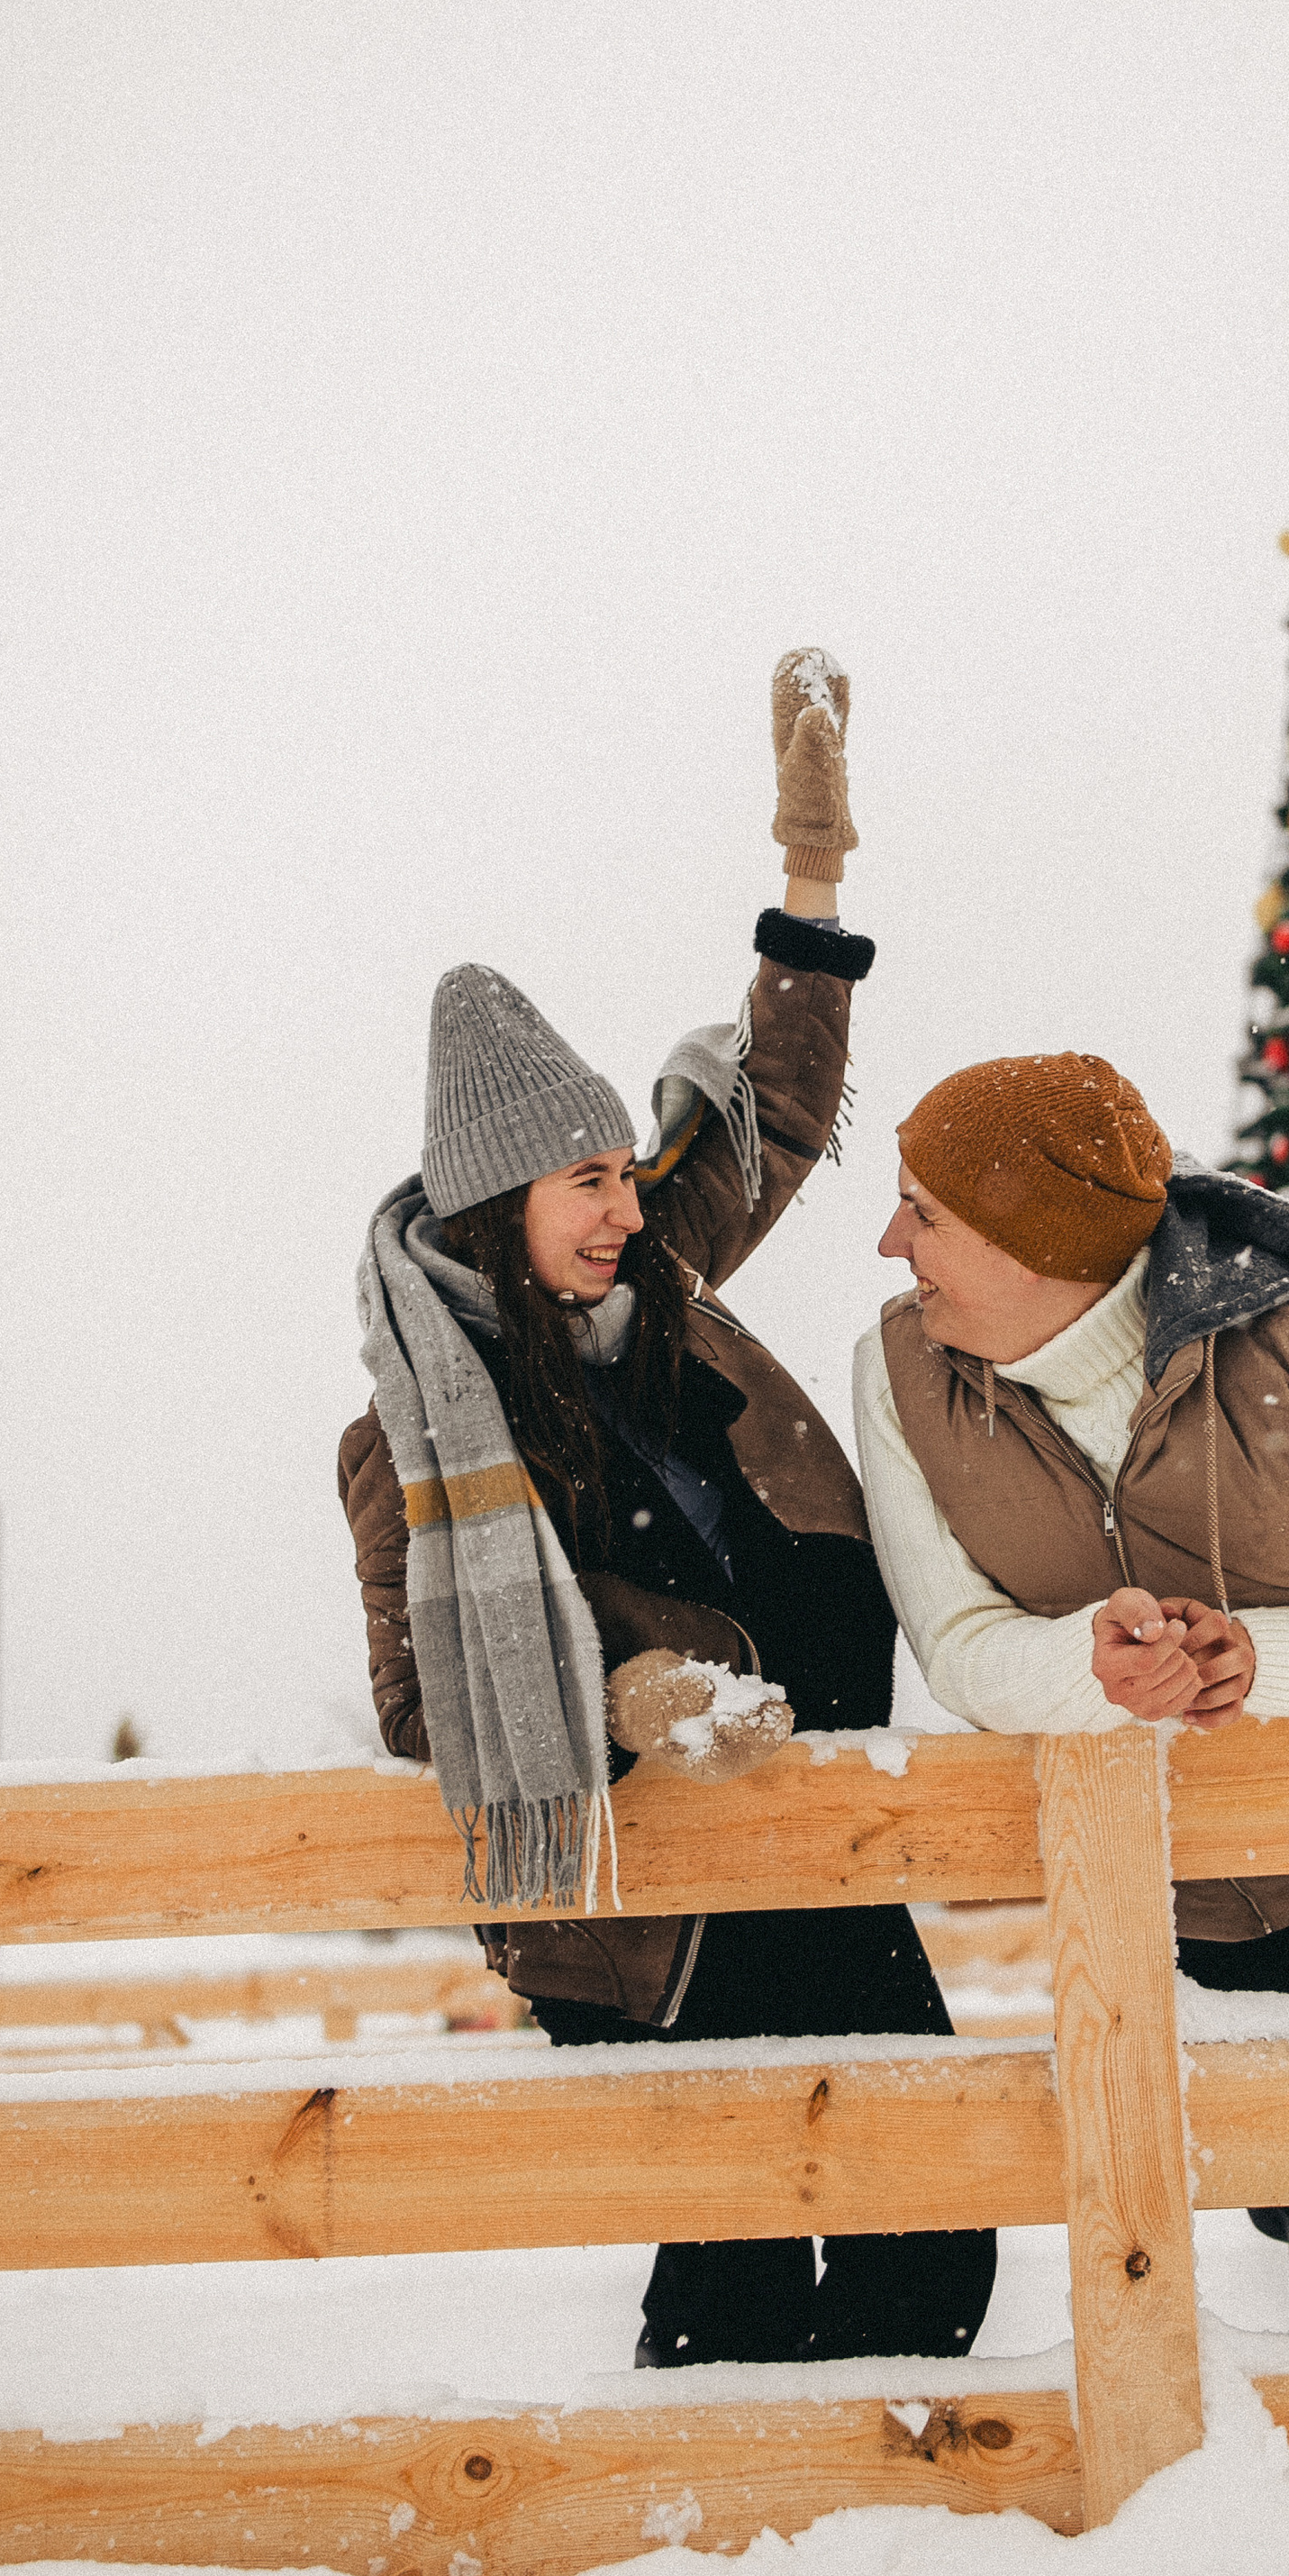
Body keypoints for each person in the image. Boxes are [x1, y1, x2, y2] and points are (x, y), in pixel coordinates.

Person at [339, 654, 994, 2371]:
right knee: (745, 2267)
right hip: (655, 1892)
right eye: (582, 1184)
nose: (623, 1207)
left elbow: (776, 1103)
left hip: (820, 1825)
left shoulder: (668, 1276)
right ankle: (725, 2569)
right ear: (497, 1209)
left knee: (937, 2195)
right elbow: (424, 1700)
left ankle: (887, 2550)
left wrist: (814, 865)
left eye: (625, 1170)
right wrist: (631, 1692)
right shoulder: (404, 1438)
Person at [852, 1049, 1289, 2335]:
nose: (893, 1242)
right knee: (1269, 2188)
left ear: (1034, 1235)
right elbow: (959, 1641)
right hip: (1163, 1891)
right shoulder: (904, 1378)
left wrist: (1261, 1663)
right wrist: (1089, 1670)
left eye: (927, 1212)